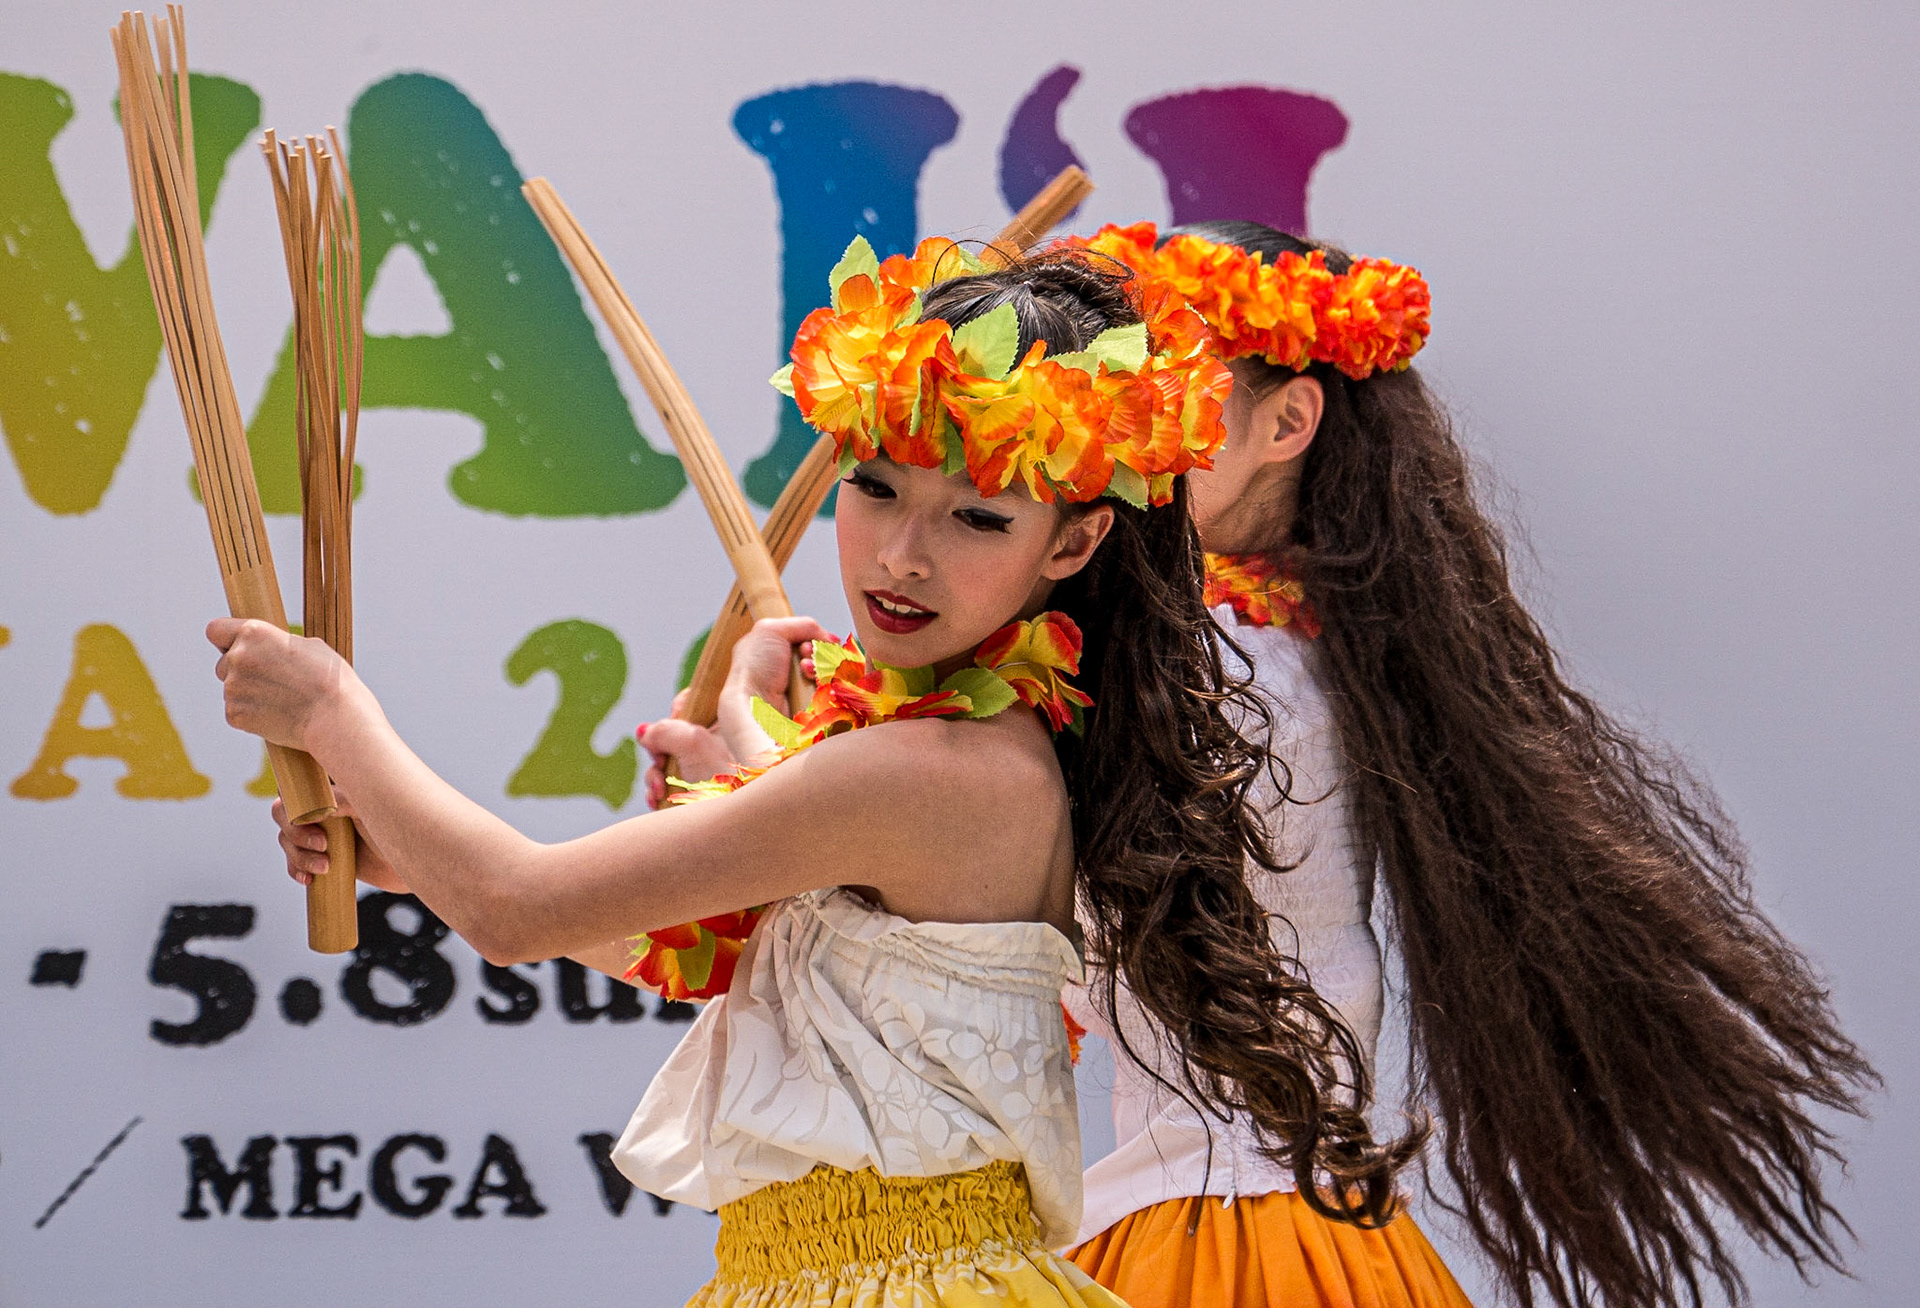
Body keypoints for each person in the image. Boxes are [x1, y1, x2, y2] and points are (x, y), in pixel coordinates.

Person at [213, 239, 1403, 1307]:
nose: (900, 555)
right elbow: (676, 940)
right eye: (875, 487)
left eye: (976, 519)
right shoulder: (933, 752)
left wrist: (332, 711)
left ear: (1077, 541)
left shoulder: (937, 769)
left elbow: (521, 907)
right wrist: (411, 866)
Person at [1061, 220, 1877, 1308]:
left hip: (1228, 1244)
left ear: (1288, 418)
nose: (1121, 418)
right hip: (1285, 1229)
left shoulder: (1221, 671)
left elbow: (959, 802)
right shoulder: (1296, 650)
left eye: (1165, 379)